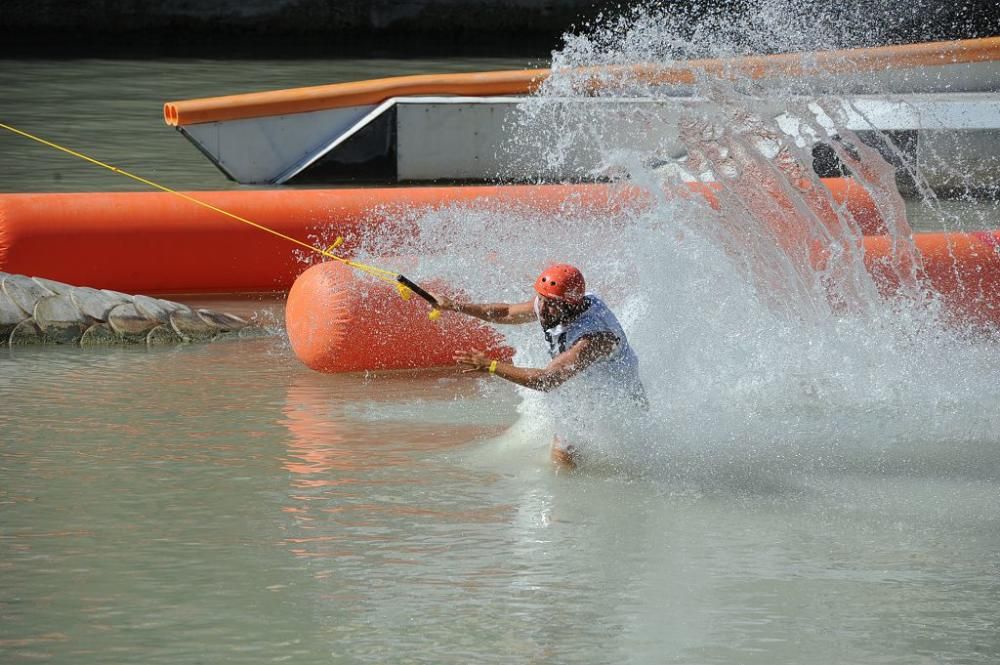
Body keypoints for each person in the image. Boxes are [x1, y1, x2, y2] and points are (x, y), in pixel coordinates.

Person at [435, 263, 647, 469]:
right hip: (586, 391)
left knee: (568, 458)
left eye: (550, 304)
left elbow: (547, 380)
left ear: (570, 306)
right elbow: (507, 312)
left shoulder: (594, 338)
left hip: (617, 406)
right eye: (541, 300)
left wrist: (490, 366)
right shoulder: (557, 303)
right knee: (563, 456)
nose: (542, 309)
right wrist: (454, 306)